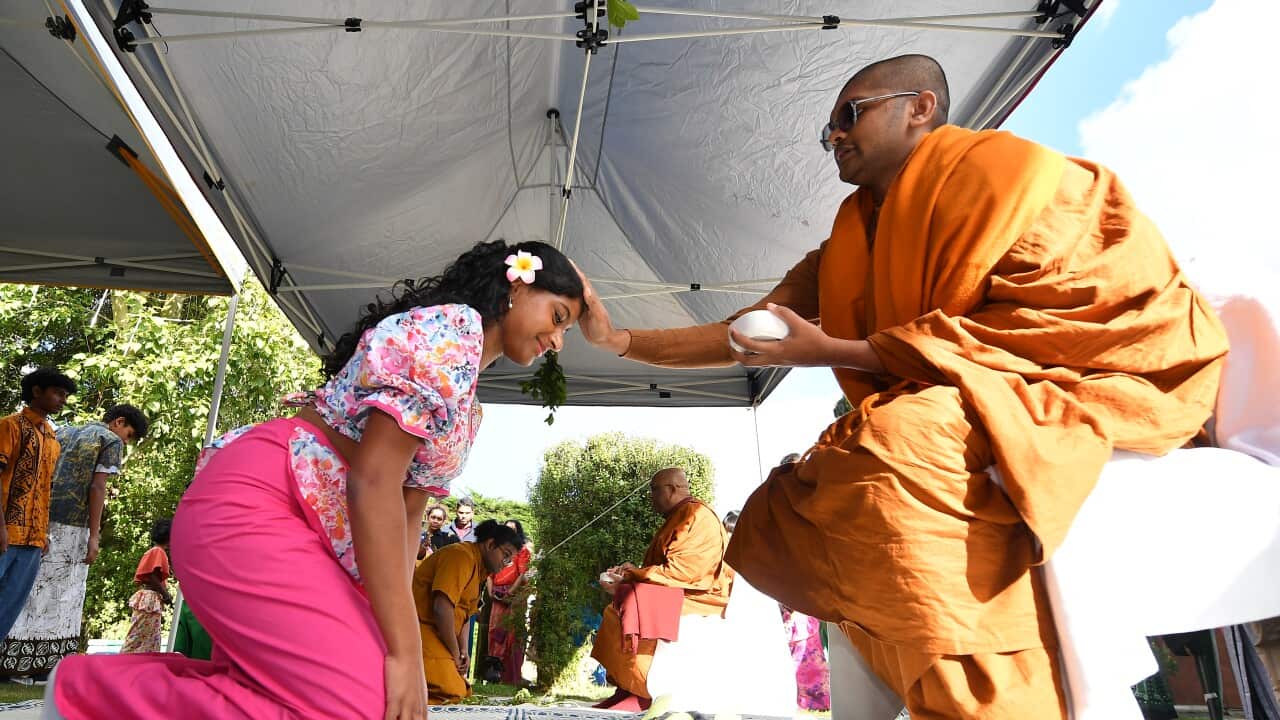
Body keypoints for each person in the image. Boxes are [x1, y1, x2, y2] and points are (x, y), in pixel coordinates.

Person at [576, 54, 1228, 718]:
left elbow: (1080, 315)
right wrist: (622, 341)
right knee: (808, 485)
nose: (833, 135)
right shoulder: (854, 231)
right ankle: (915, 681)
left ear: (919, 106)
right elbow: (749, 333)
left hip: (1091, 378)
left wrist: (836, 350)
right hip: (953, 396)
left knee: (896, 442)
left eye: (849, 114)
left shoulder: (1016, 178)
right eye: (827, 127)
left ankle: (994, 701)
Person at [46, 240, 585, 720]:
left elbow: (407, 513)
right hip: (262, 499)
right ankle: (88, 693)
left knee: (361, 691)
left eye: (567, 328)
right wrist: (402, 651)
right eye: (558, 316)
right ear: (518, 283)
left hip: (312, 531)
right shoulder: (450, 334)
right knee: (356, 701)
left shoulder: (467, 400)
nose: (557, 340)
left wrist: (389, 635)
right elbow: (371, 483)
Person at [1, 404, 148, 676]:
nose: (126, 441)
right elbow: (97, 486)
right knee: (62, 598)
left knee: (25, 592)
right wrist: (94, 534)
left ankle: (10, 660)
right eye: (129, 435)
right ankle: (42, 666)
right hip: (73, 525)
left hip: (39, 520)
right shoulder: (110, 440)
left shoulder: (64, 432)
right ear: (119, 422)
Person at [591, 468, 733, 710]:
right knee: (625, 601)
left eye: (654, 490)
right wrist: (629, 575)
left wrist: (631, 576)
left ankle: (642, 690)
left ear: (673, 488)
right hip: (682, 588)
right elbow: (666, 569)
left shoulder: (697, 515)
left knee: (631, 605)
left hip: (702, 596)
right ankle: (629, 688)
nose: (651, 497)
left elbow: (686, 573)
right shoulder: (679, 515)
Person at [0, 368, 73, 643]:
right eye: (57, 393)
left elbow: (46, 490)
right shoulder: (10, 426)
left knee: (9, 607)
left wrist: (44, 534)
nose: (62, 399)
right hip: (5, 532)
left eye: (65, 395)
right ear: (36, 392)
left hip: (33, 539)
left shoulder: (53, 440)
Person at [411, 519, 520, 704]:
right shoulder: (460, 556)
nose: (506, 563)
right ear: (491, 544)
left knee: (462, 690)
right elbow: (441, 608)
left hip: (440, 636)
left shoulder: (480, 570)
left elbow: (467, 614)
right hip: (420, 631)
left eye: (510, 560)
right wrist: (454, 651)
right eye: (506, 555)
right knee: (452, 691)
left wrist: (463, 651)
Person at [484, 519, 533, 685]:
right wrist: (491, 591)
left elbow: (523, 574)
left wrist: (510, 592)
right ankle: (493, 674)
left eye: (513, 529)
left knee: (513, 635)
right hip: (497, 595)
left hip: (515, 597)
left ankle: (511, 676)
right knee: (495, 633)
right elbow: (490, 573)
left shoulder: (522, 551)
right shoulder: (495, 548)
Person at [121, 519, 172, 654]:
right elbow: (151, 575)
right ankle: (121, 663)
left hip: (150, 598)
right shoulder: (158, 551)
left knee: (148, 638)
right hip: (150, 598)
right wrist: (165, 594)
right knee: (138, 636)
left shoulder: (156, 551)